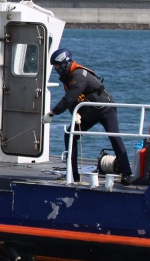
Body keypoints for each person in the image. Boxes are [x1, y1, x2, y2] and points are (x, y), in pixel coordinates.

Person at [42, 48, 133, 185]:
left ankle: (126, 173)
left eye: (58, 66)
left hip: (105, 110)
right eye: (55, 67)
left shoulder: (79, 75)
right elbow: (74, 101)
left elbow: (70, 98)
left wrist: (52, 113)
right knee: (70, 136)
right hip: (88, 113)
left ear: (66, 64)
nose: (57, 69)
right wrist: (76, 114)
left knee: (115, 137)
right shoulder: (68, 79)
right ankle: (73, 174)